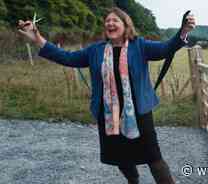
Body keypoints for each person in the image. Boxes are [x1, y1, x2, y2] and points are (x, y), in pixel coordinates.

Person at [18, 6, 196, 184]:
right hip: (109, 115)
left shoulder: (140, 46)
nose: (110, 23)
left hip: (140, 113)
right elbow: (67, 57)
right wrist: (37, 38)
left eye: (115, 20)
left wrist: (184, 31)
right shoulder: (96, 50)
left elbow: (166, 48)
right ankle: (133, 181)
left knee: (153, 157)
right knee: (120, 157)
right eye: (107, 21)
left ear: (126, 25)